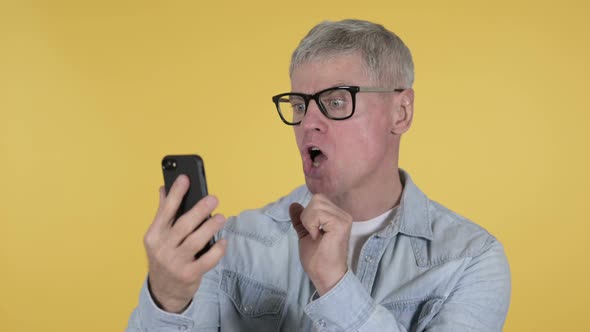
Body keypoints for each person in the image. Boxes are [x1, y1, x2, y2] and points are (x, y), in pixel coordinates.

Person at [126, 19, 511, 331]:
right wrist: (169, 299)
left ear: (401, 112)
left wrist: (337, 286)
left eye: (336, 102)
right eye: (299, 104)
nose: (309, 122)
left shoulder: (469, 261)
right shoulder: (232, 246)